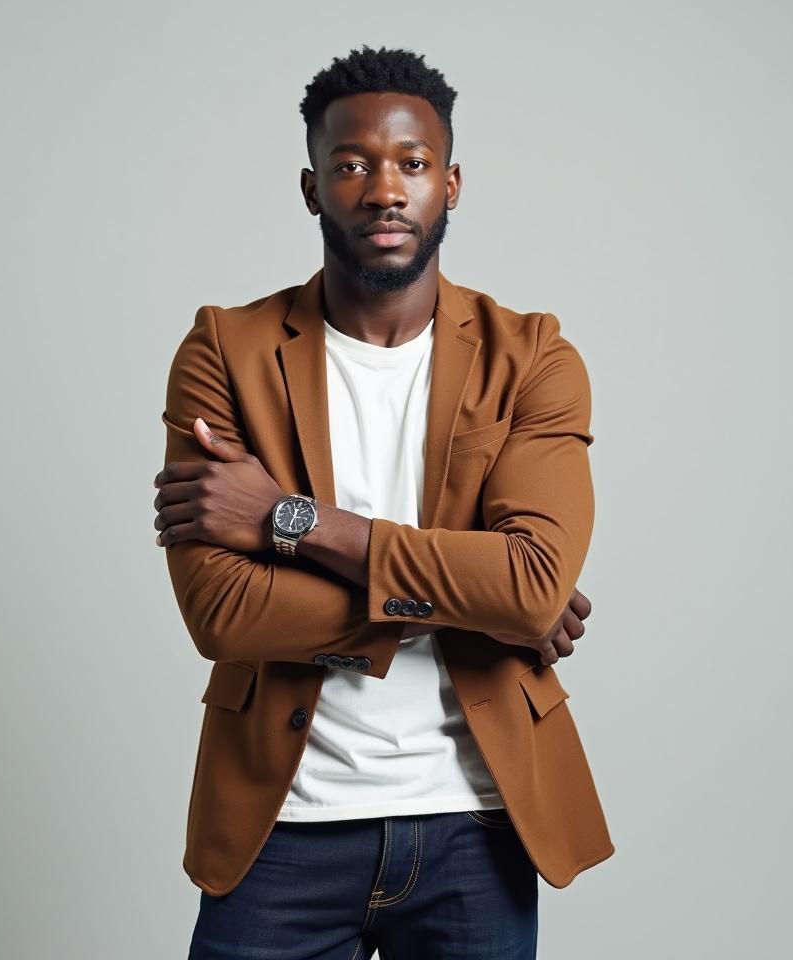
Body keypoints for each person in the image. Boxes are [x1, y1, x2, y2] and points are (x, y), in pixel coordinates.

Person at [153, 44, 614, 960]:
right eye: (352, 163)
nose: (384, 189)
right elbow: (223, 611)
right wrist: (471, 604)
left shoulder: (535, 357)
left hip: (473, 827)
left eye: (411, 164)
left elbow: (528, 586)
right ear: (311, 186)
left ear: (451, 181)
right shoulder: (224, 352)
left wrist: (293, 519)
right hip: (282, 824)